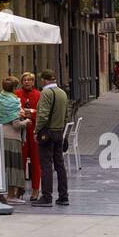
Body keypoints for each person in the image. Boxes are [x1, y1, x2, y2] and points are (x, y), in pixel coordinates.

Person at [31, 70, 70, 207]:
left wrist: (36, 131)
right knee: (60, 165)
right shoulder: (62, 93)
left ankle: (47, 197)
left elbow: (43, 115)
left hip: (47, 133)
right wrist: (62, 128)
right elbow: (67, 114)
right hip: (59, 132)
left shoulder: (46, 93)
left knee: (46, 165)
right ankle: (63, 196)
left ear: (44, 80)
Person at [0, 76, 30, 202]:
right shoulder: (14, 102)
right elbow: (16, 124)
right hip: (12, 138)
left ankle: (3, 193)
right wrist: (27, 121)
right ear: (14, 88)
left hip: (0, 135)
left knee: (4, 166)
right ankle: (12, 195)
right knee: (13, 166)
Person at [16, 72, 43, 200]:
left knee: (35, 162)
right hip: (21, 131)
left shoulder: (38, 95)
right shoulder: (17, 94)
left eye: (29, 80)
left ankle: (35, 189)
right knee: (20, 162)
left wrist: (31, 112)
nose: (27, 82)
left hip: (34, 131)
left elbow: (42, 112)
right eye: (25, 80)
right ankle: (19, 188)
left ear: (33, 82)